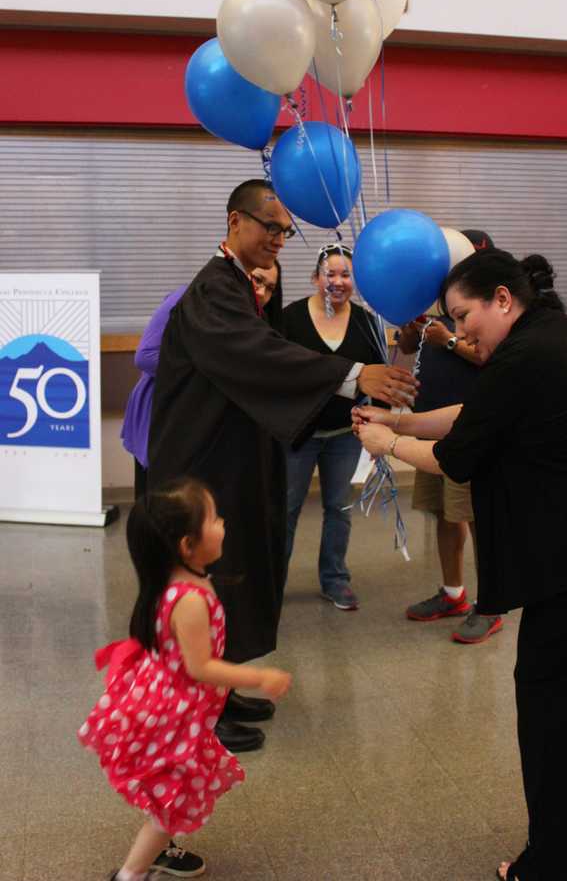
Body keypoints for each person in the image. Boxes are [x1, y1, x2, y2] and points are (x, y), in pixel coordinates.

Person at [354, 249, 567, 880]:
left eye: (464, 316)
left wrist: (388, 442)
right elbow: (474, 417)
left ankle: (551, 865)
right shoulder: (550, 339)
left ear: (503, 300)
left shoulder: (527, 355)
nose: (460, 333)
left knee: (558, 709)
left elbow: (459, 454)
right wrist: (400, 417)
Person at [147, 179, 417, 753]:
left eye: (286, 231)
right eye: (269, 226)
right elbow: (255, 355)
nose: (278, 238)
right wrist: (352, 374)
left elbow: (264, 362)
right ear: (234, 220)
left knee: (240, 567)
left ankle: (222, 688)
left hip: (234, 457)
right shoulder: (212, 290)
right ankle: (201, 709)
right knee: (209, 582)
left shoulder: (246, 287)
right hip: (202, 465)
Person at [78, 477, 291, 881]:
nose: (223, 523)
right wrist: (259, 676)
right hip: (175, 711)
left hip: (173, 703)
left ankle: (163, 846)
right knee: (170, 801)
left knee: (169, 784)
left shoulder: (177, 581)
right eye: (213, 519)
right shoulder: (190, 598)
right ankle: (131, 873)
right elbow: (201, 666)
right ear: (187, 546)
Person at [398, 228, 502, 643]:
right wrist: (410, 331)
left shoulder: (488, 307)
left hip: (469, 429)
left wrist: (450, 339)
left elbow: (487, 357)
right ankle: (453, 594)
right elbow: (410, 346)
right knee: (444, 514)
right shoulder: (438, 299)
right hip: (431, 429)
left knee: (476, 518)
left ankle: (491, 604)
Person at [121, 262, 282, 498]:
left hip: (202, 422)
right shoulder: (186, 298)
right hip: (161, 414)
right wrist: (212, 369)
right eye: (257, 280)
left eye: (270, 288)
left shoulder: (251, 320)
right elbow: (145, 356)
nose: (261, 292)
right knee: (157, 504)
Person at [283, 244, 385, 611]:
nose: (338, 281)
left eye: (346, 275)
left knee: (338, 508)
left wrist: (382, 430)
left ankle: (335, 580)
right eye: (331, 274)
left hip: (345, 435)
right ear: (315, 278)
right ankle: (271, 582)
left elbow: (380, 379)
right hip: (298, 434)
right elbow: (280, 374)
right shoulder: (289, 319)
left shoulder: (367, 323)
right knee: (286, 509)